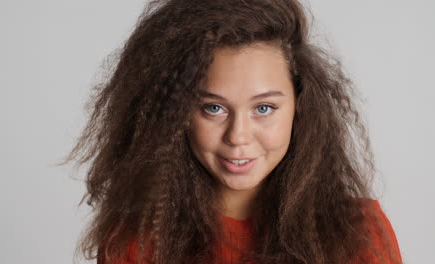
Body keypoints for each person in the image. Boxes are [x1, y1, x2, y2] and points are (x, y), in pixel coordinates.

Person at [63, 0, 403, 263]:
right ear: (177, 115)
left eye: (264, 108)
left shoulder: (355, 232)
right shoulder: (136, 240)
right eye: (214, 108)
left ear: (300, 108)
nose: (238, 137)